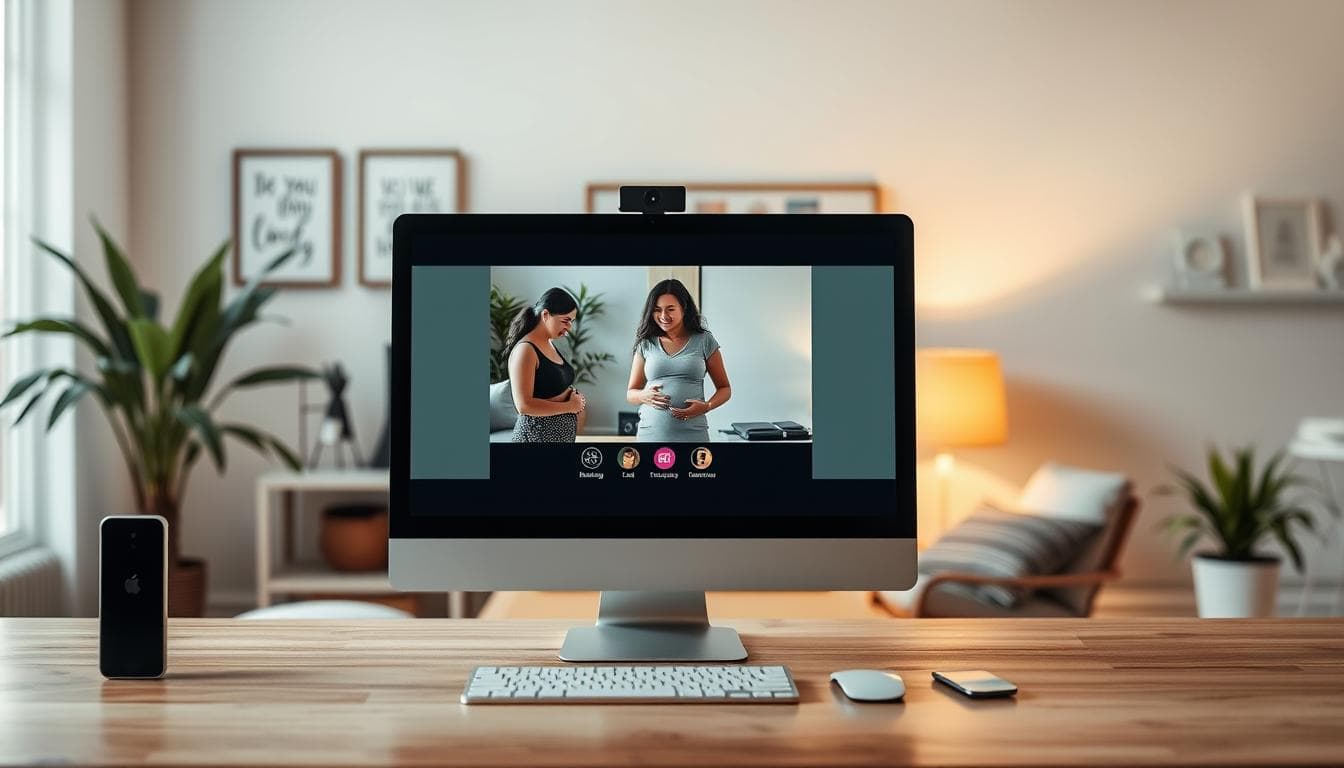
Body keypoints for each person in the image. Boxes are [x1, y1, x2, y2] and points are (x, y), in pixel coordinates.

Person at [625, 279, 731, 442]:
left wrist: (707, 406)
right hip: (651, 434)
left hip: (693, 433)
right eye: (657, 310)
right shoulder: (646, 343)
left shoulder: (704, 340)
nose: (663, 316)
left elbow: (725, 388)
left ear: (684, 308)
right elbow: (631, 393)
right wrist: (643, 396)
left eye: (670, 309)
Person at [506, 287, 586, 442]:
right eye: (565, 321)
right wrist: (570, 406)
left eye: (572, 322)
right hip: (535, 437)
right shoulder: (526, 350)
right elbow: (524, 405)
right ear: (545, 315)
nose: (569, 327)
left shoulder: (549, 342)